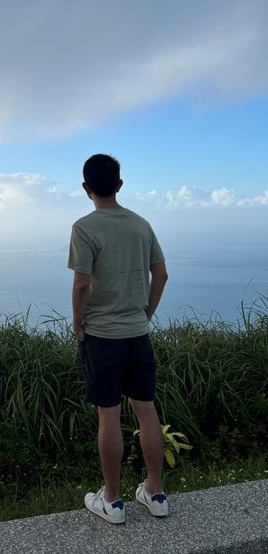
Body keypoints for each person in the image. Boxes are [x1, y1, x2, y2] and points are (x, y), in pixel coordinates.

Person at [68, 153, 169, 525]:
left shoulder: (84, 228)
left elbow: (81, 284)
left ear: (86, 188)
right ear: (120, 185)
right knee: (146, 409)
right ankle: (155, 493)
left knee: (108, 414)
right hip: (137, 334)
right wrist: (146, 314)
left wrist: (78, 323)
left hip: (102, 335)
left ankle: (112, 501)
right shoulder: (141, 225)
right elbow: (161, 275)